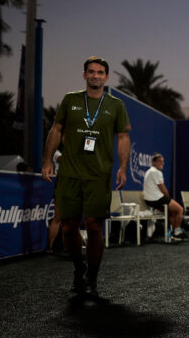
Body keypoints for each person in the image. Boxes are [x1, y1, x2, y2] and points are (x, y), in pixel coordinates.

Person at [41, 56, 131, 298]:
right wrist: (47, 160)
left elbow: (123, 138)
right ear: (84, 75)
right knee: (69, 227)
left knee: (93, 226)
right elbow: (56, 130)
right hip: (69, 174)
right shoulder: (70, 100)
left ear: (106, 77)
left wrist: (123, 167)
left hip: (98, 175)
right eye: (91, 71)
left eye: (100, 72)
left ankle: (92, 277)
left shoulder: (116, 105)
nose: (95, 76)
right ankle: (78, 267)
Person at [142, 153, 185, 240]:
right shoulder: (156, 172)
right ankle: (177, 232)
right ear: (154, 162)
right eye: (159, 161)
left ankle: (174, 232)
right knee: (180, 209)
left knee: (171, 212)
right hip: (157, 199)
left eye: (163, 161)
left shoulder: (149, 171)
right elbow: (163, 189)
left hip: (149, 200)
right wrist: (168, 198)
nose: (162, 163)